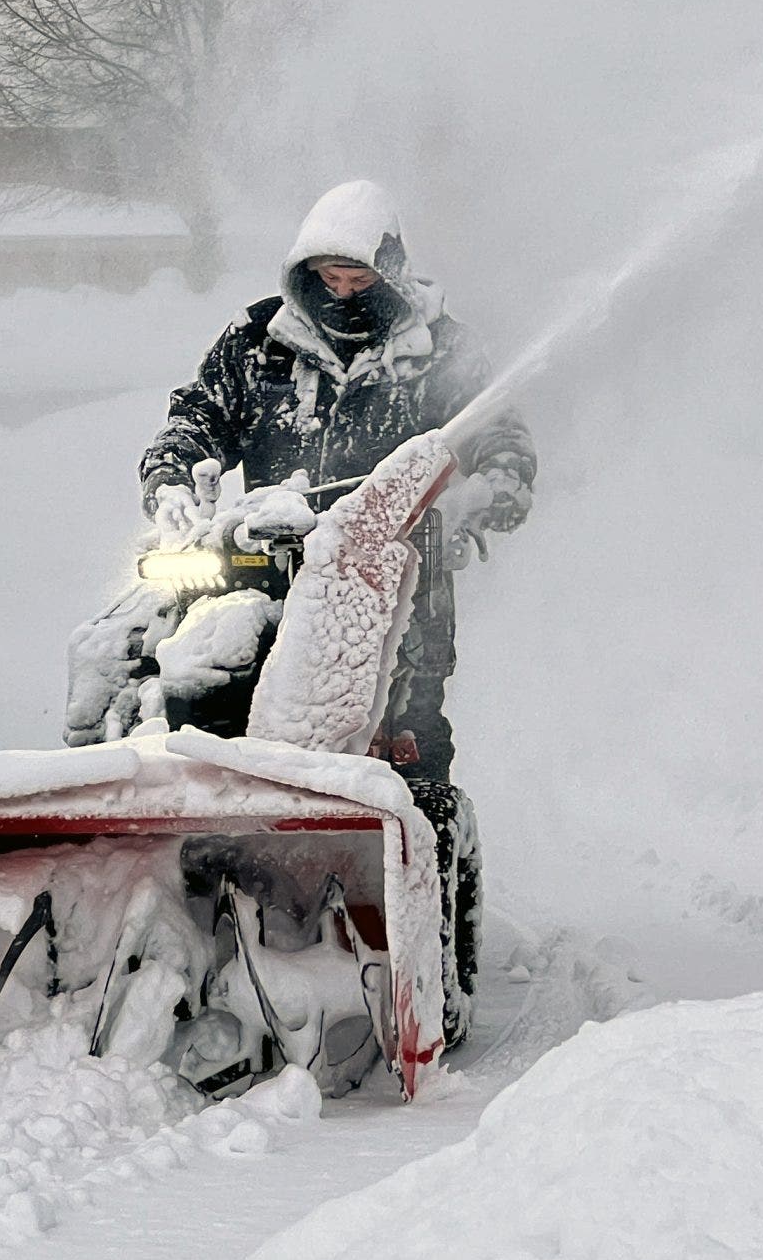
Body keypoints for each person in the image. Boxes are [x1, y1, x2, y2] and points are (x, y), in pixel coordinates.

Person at [137, 179, 536, 797]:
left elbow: (497, 430)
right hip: (261, 564)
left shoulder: (438, 350)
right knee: (174, 662)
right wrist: (172, 479)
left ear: (389, 274)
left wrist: (494, 487)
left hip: (398, 572)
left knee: (405, 729)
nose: (343, 292)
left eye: (359, 280)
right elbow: (199, 417)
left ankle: (415, 830)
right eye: (329, 278)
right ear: (305, 274)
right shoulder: (258, 342)